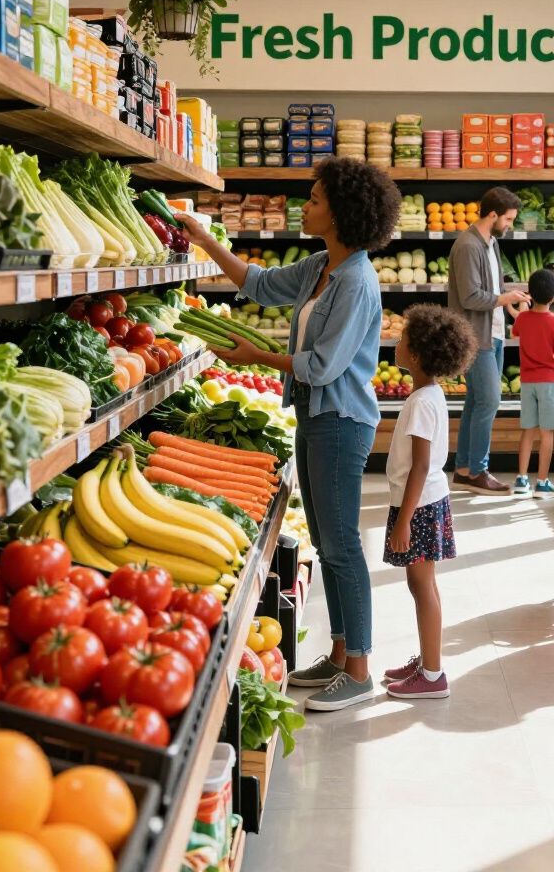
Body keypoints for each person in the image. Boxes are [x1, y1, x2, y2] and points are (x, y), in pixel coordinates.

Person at [175, 158, 401, 711]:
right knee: (326, 542)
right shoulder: (322, 265)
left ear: (341, 211)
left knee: (343, 544)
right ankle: (340, 654)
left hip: (343, 422)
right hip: (313, 416)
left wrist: (257, 355)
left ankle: (361, 670)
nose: (306, 205)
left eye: (315, 199)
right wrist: (204, 240)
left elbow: (323, 366)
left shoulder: (357, 281)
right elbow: (258, 283)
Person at [382, 304, 476, 700]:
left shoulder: (421, 402)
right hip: (426, 502)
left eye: (402, 340)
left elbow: (419, 466)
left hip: (417, 506)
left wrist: (403, 521)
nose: (396, 343)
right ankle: (427, 659)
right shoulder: (429, 393)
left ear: (416, 355)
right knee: (424, 585)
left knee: (421, 588)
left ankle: (433, 674)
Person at [447, 187, 529, 496]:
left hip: (493, 333)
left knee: (476, 402)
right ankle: (478, 471)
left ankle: (465, 469)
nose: (509, 225)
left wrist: (509, 305)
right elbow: (470, 296)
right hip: (473, 336)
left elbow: (495, 288)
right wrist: (504, 297)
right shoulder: (468, 246)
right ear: (492, 215)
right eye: (507, 219)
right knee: (490, 402)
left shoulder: (491, 242)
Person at [507, 268, 554, 498]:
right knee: (547, 434)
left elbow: (516, 333)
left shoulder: (523, 319)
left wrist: (516, 306)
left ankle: (521, 479)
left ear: (530, 294)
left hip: (527, 382)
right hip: (550, 382)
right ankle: (542, 482)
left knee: (528, 431)